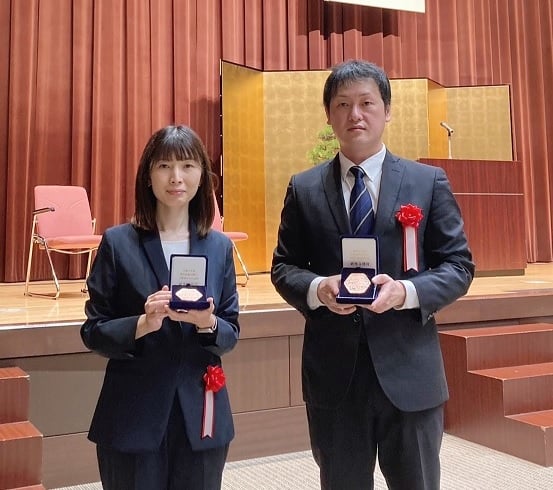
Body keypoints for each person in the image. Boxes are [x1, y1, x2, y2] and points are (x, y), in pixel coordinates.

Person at [271, 60, 475, 490]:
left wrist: (406, 291)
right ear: (328, 114)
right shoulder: (304, 188)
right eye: (342, 104)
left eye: (366, 103)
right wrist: (317, 288)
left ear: (387, 110)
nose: (354, 115)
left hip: (409, 372)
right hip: (334, 377)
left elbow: (458, 265)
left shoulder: (427, 182)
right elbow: (283, 266)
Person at [81, 125, 240, 490]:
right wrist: (141, 323)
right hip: (133, 415)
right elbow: (93, 332)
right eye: (164, 166)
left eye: (187, 166)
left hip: (201, 415)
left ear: (202, 176)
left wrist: (208, 323)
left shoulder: (218, 247)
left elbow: (230, 333)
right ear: (148, 176)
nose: (176, 177)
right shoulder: (118, 243)